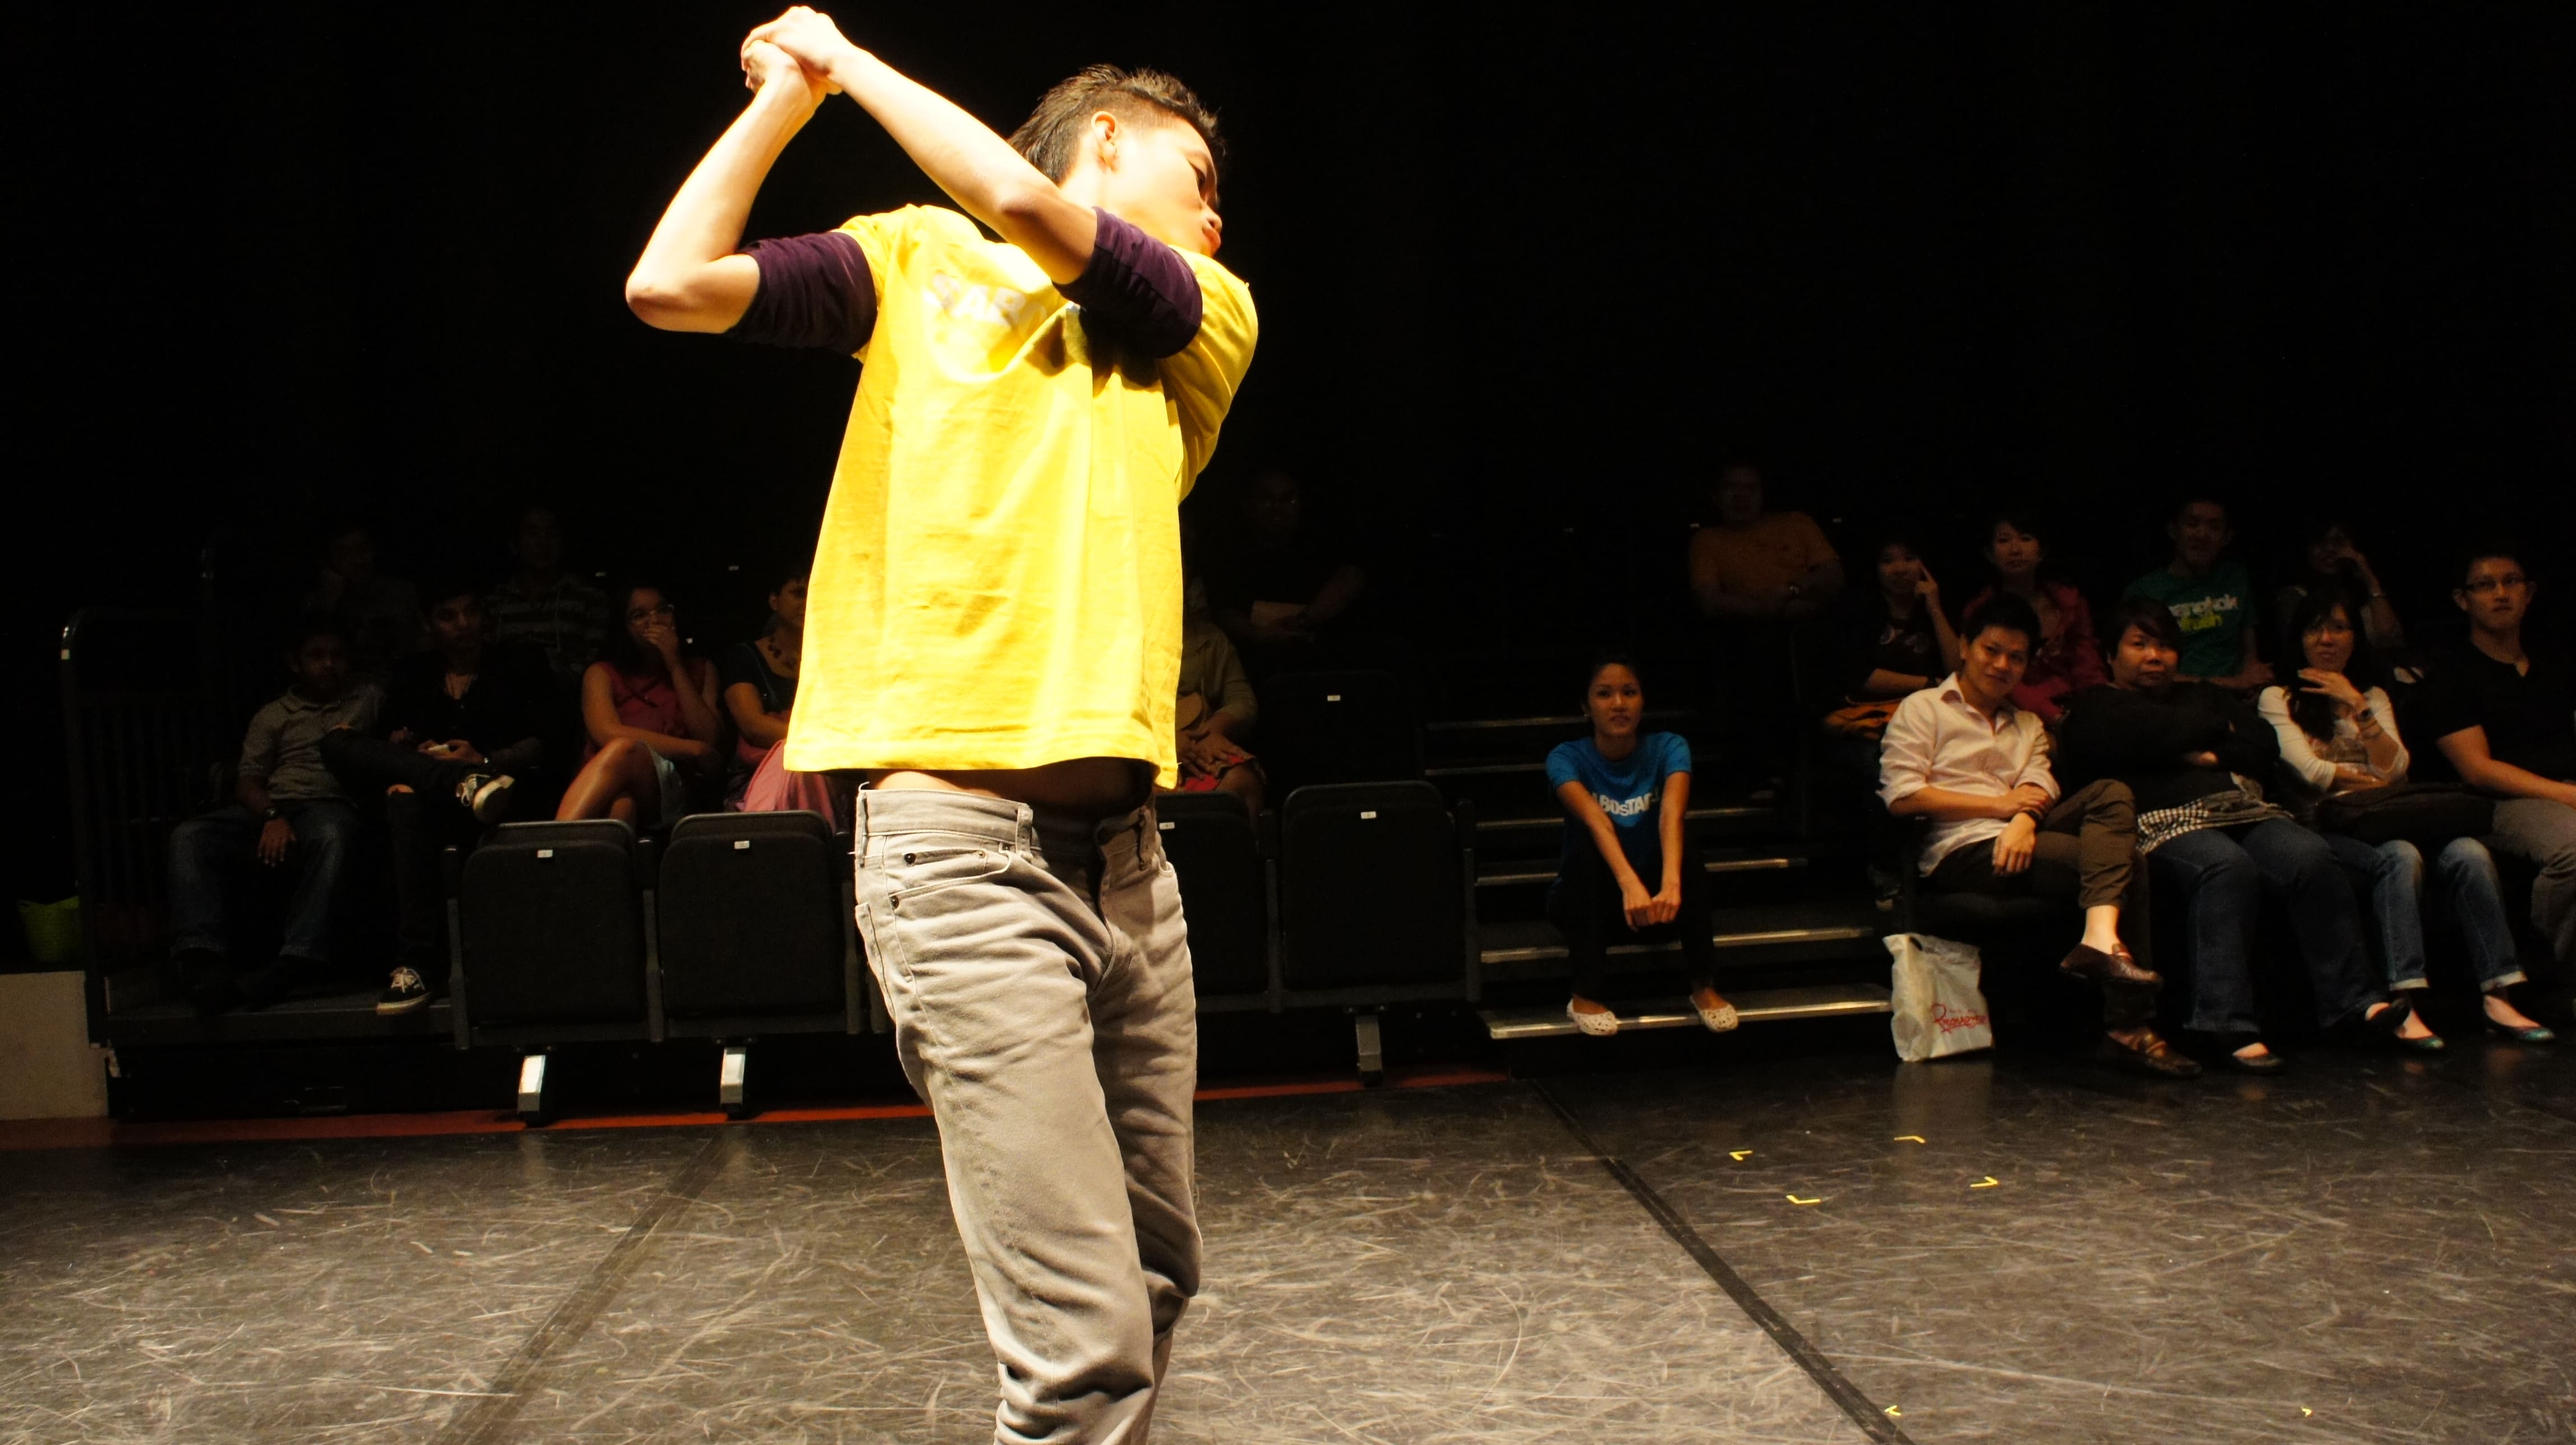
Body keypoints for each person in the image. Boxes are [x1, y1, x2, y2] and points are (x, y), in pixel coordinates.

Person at [624, 12, 1255, 1441]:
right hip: (960, 859)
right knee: (1083, 1351)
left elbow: (1024, 204)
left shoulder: (1204, 311)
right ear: (1110, 134)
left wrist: (845, 57)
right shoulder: (916, 258)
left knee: (1154, 1280)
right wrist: (787, 100)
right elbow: (667, 284)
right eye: (1198, 171)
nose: (1217, 208)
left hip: (1130, 872)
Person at [2056, 599, 2416, 1070]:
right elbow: (2121, 739)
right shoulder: (2097, 706)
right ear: (2111, 654)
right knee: (2226, 866)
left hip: (2242, 808)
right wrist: (2209, 731)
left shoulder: (2199, 693)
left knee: (2310, 854)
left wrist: (2190, 749)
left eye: (2165, 647)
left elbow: (2261, 745)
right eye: (2139, 645)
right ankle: (2224, 1024)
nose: (2154, 657)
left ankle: (2353, 1004)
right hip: (2163, 820)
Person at [1879, 593, 2195, 1076]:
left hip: (2020, 836)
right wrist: (2000, 807)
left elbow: (2040, 781)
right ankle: (2128, 1025)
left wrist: (2023, 821)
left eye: (2017, 657)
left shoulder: (2025, 722)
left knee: (2110, 792)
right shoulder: (1923, 709)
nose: (2003, 665)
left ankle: (2099, 938)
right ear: (1964, 647)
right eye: (1992, 650)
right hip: (1960, 848)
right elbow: (1903, 796)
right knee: (2128, 864)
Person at [2258, 588, 2543, 1043]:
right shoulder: (2278, 697)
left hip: (2388, 818)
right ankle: (2405, 997)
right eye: (2315, 629)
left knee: (2469, 852)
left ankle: (2500, 993)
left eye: (2339, 627)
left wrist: (2357, 705)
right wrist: (2375, 782)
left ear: (2356, 636)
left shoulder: (2369, 695)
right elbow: (2311, 774)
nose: (2327, 639)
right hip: (2325, 826)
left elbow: (2397, 767)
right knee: (2401, 856)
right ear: (2299, 639)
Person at [320, 581, 554, 1015]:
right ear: (429, 625)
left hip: (499, 793)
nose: (464, 624)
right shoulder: (413, 672)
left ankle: (417, 963)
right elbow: (390, 742)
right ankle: (458, 781)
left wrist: (484, 758)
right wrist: (408, 750)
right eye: (449, 616)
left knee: (406, 799)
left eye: (471, 612)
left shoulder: (520, 661)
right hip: (438, 790)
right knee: (338, 744)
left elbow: (543, 740)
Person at [166, 619, 379, 1013]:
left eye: (337, 656)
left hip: (330, 805)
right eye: (317, 657)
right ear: (295, 664)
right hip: (276, 805)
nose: (329, 665)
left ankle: (298, 958)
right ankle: (203, 960)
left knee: (334, 835)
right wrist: (272, 814)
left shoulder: (366, 697)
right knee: (190, 836)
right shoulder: (274, 714)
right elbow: (247, 782)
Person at [2414, 546, 2576, 1020]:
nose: (2500, 593)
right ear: (2463, 600)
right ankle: (2550, 976)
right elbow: (2478, 768)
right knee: (2573, 849)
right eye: (2485, 585)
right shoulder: (2449, 676)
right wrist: (2567, 794)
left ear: (2530, 593)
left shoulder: (2554, 665)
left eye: (2510, 582)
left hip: (2563, 787)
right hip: (2496, 801)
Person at [1547, 657, 1736, 1036]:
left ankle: (1704, 987)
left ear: (1643, 701)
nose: (1619, 703)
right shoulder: (1565, 757)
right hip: (1593, 903)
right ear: (1586, 707)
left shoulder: (1670, 747)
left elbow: (1671, 814)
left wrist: (1670, 885)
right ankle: (1584, 995)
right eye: (1605, 694)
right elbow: (1597, 821)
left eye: (1629, 693)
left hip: (1655, 905)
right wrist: (1628, 884)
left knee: (1689, 844)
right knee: (1588, 843)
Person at [1687, 461, 1842, 797]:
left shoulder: (1796, 523)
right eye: (1732, 488)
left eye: (1751, 488)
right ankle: (1766, 771)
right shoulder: (1709, 540)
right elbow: (1710, 600)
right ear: (1717, 496)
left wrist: (1792, 593)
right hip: (1750, 637)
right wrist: (1765, 608)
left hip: (1810, 629)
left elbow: (1832, 575)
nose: (1742, 496)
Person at [556, 584, 726, 825]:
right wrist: (692, 748)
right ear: (624, 628)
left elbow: (710, 739)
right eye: (639, 616)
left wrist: (675, 664)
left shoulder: (701, 669)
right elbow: (607, 733)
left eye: (662, 611)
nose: (654, 621)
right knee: (623, 806)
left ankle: (553, 846)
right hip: (609, 779)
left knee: (626, 750)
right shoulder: (602, 673)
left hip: (673, 785)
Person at [1202, 468, 1368, 680]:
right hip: (1250, 671)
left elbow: (1352, 576)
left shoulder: (1318, 546)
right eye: (1267, 499)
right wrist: (1257, 636)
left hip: (1319, 667)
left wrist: (1305, 620)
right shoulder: (1230, 553)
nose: (1277, 509)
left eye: (1288, 500)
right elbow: (1222, 607)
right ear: (1248, 505)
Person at [1960, 510, 2106, 722]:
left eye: (2026, 539)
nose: (2016, 549)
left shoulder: (2069, 604)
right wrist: (2055, 718)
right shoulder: (1980, 611)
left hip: (2075, 707)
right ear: (1989, 554)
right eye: (2004, 540)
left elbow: (2087, 663)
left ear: (2041, 550)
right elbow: (1994, 676)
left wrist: (2098, 703)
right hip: (2011, 712)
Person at [2124, 495, 2271, 691]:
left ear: (2227, 537)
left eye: (2214, 527)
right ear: (2173, 531)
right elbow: (2144, 670)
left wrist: (2253, 678)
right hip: (2174, 697)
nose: (2202, 535)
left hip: (2237, 699)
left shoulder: (2235, 577)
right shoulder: (2146, 591)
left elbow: (2249, 649)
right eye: (2192, 524)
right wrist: (2234, 685)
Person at [1166, 567, 1263, 813]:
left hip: (1201, 743)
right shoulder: (1117, 643)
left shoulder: (1210, 639)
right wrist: (1165, 742)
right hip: (1142, 756)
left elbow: (1242, 700)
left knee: (1242, 781)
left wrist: (1213, 731)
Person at [487, 505, 613, 687]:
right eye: (532, 532)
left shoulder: (589, 598)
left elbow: (596, 660)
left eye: (552, 532)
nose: (542, 542)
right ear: (515, 544)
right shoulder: (497, 601)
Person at [1830, 532, 1959, 707]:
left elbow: (1957, 672)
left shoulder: (1938, 603)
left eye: (1909, 558)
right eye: (1887, 561)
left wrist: (1935, 610)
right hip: (1873, 708)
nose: (1900, 569)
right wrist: (1927, 684)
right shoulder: (1857, 608)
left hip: (1930, 706)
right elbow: (1858, 675)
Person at [721, 567, 805, 806]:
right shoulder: (745, 656)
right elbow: (753, 726)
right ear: (774, 600)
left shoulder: (832, 658)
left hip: (821, 770)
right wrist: (820, 741)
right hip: (755, 774)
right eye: (798, 593)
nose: (808, 601)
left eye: (814, 593)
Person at [300, 522, 421, 680]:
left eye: (363, 550)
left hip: (396, 682)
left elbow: (413, 648)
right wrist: (332, 603)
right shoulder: (316, 603)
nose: (357, 560)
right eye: (344, 554)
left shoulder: (401, 593)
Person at [2274, 517, 2405, 654]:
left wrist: (2371, 581)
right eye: (2321, 542)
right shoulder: (2294, 596)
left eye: (2339, 541)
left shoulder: (2366, 598)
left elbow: (2391, 641)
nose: (2330, 549)